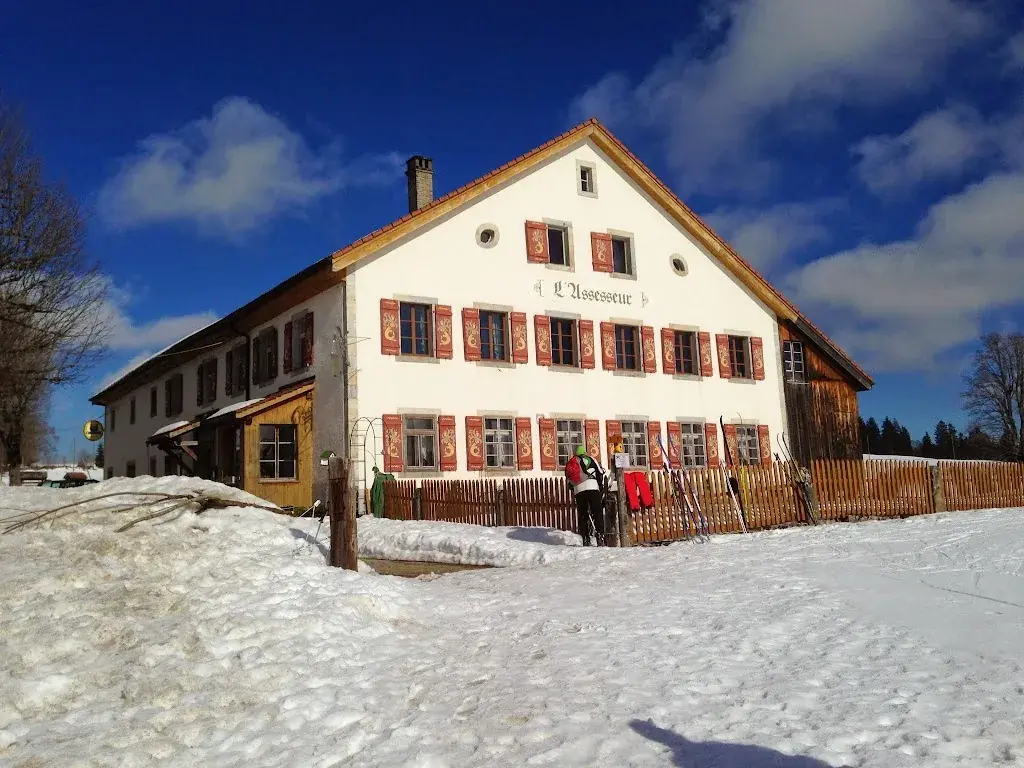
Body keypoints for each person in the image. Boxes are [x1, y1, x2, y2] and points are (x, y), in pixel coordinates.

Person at [564, 445, 605, 545]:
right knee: (597, 512)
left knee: (583, 515)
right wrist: (600, 487)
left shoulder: (571, 462)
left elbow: (569, 481)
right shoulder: (590, 459)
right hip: (592, 487)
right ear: (585, 452)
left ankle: (585, 538)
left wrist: (575, 490)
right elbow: (600, 473)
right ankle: (600, 536)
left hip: (579, 490)